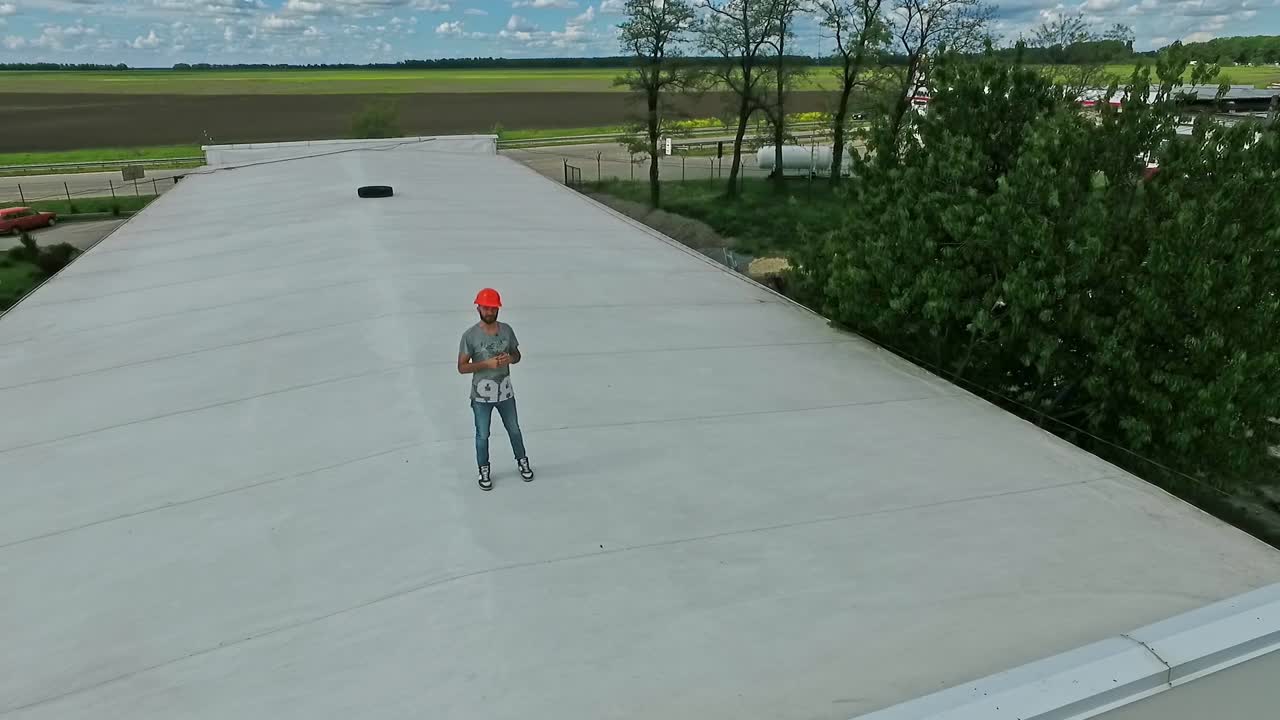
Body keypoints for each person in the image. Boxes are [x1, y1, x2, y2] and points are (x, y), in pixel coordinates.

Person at [457, 288, 534, 491]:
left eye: (493, 308)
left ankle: (522, 460)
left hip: (506, 393)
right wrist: (487, 364)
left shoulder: (507, 330)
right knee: (482, 434)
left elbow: (517, 355)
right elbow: (462, 367)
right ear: (478, 308)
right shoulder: (470, 336)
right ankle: (484, 468)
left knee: (514, 430)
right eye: (485, 308)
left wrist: (511, 359)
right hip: (482, 396)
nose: (489, 312)